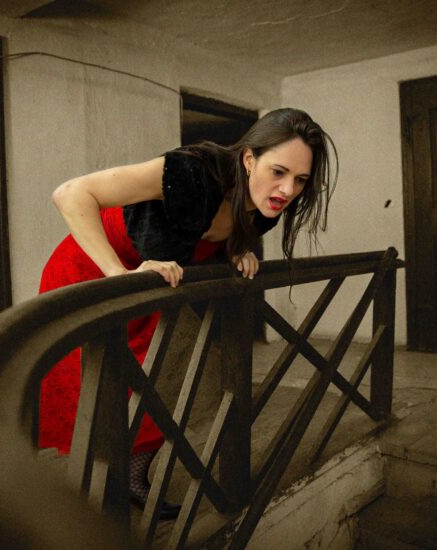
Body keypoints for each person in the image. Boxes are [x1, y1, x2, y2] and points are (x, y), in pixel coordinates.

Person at [38, 107, 337, 510]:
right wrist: (117, 273)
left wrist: (237, 249)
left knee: (168, 379)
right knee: (97, 386)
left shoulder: (264, 203)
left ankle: (133, 476)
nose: (287, 189)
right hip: (93, 270)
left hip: (152, 284)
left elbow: (206, 233)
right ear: (249, 160)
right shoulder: (191, 171)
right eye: (279, 171)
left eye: (300, 180)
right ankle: (90, 505)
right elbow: (70, 193)